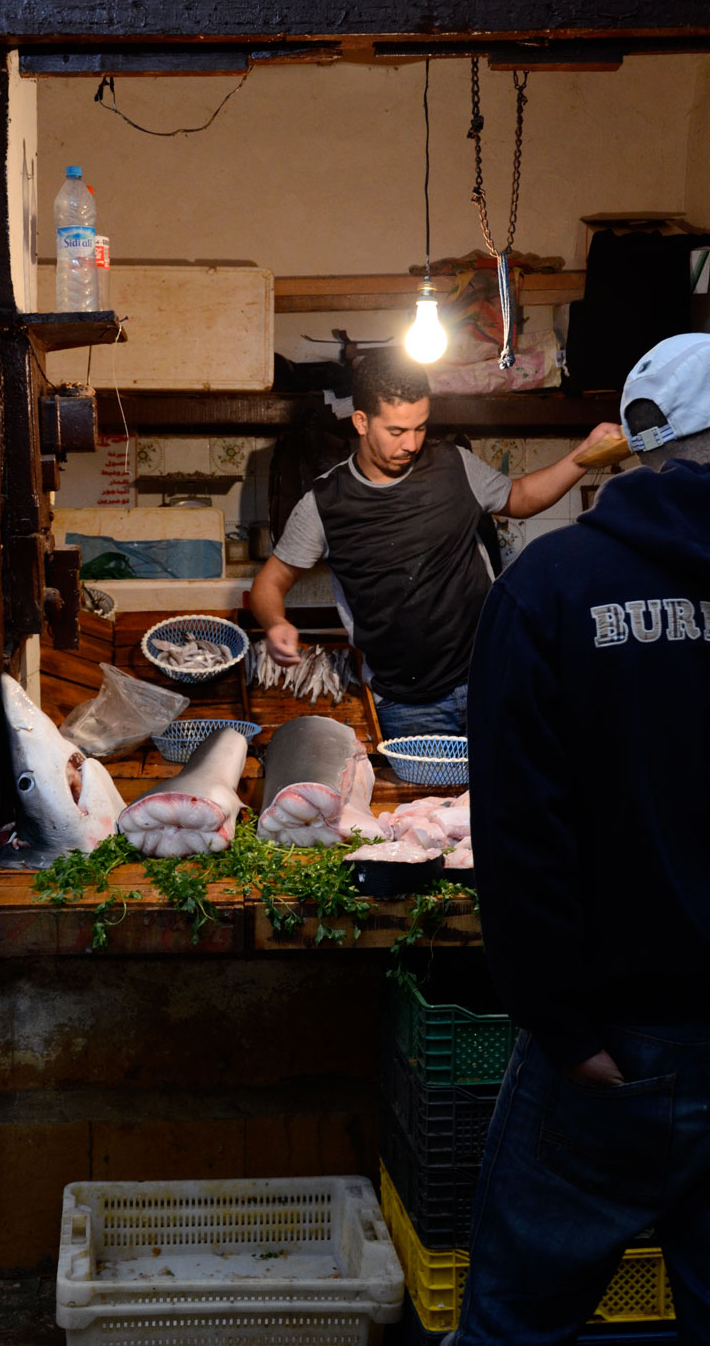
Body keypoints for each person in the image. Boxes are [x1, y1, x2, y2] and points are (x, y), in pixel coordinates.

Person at [446, 333, 710, 1344]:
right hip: (640, 1026)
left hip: (620, 1043)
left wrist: (560, 1026)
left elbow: (518, 829)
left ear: (636, 444)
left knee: (514, 1323)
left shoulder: (552, 584)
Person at [249, 351, 621, 737]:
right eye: (396, 431)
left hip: (491, 678)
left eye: (420, 427)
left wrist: (583, 455)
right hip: (406, 705)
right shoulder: (325, 503)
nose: (411, 443)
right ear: (361, 422)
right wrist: (276, 623)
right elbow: (269, 584)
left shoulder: (454, 465)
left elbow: (521, 498)